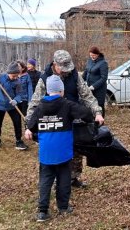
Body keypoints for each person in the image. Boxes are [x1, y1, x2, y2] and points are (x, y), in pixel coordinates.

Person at [26, 50, 104, 188]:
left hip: (73, 117)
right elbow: (35, 102)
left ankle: (73, 177)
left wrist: (97, 112)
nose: (66, 71)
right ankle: (56, 180)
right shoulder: (44, 78)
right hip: (53, 120)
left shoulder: (74, 75)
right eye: (63, 68)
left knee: (76, 149)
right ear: (55, 64)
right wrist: (28, 126)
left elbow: (87, 95)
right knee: (55, 150)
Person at [25, 75, 93, 222]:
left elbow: (31, 124)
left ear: (48, 91)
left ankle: (42, 212)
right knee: (64, 179)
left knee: (45, 181)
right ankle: (63, 207)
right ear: (61, 91)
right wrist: (88, 120)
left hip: (46, 154)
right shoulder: (67, 105)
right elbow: (87, 114)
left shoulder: (40, 107)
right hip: (63, 153)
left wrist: (29, 129)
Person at [0, 62, 28, 150]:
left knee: (17, 123)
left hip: (12, 106)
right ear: (9, 73)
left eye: (17, 75)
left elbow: (20, 94)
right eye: (13, 75)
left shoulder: (18, 81)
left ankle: (18, 141)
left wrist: (16, 100)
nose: (15, 77)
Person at [82, 46, 109, 117]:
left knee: (99, 105)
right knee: (90, 104)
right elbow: (86, 71)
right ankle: (92, 122)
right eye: (90, 55)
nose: (92, 57)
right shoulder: (89, 61)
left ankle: (101, 123)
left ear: (98, 54)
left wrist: (93, 86)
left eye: (93, 55)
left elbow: (104, 78)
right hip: (89, 88)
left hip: (99, 89)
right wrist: (81, 81)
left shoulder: (103, 63)